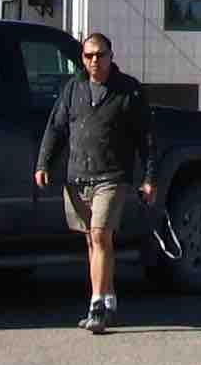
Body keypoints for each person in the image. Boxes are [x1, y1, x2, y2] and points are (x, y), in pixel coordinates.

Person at [35, 32, 157, 333]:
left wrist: (149, 178)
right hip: (77, 177)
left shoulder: (129, 91)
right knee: (94, 240)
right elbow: (56, 127)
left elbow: (147, 138)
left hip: (111, 177)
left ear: (111, 56)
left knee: (101, 235)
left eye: (100, 55)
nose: (94, 61)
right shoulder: (74, 88)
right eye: (89, 56)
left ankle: (97, 306)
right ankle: (109, 297)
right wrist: (43, 163)